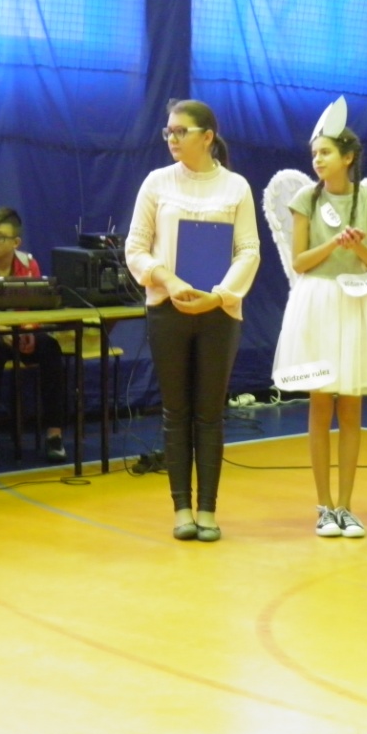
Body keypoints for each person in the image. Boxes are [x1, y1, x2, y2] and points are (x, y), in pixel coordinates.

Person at [125, 99, 260, 542]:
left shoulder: (236, 187)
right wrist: (168, 280)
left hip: (218, 312)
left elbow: (248, 251)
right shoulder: (156, 182)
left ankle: (208, 510)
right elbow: (135, 248)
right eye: (168, 131)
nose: (172, 138)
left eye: (181, 131)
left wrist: (218, 296)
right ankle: (181, 507)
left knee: (209, 413)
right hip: (169, 310)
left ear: (207, 136)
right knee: (176, 411)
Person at [271, 98, 367, 538]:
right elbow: (300, 261)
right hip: (319, 304)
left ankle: (346, 506)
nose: (318, 160)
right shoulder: (305, 199)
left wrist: (357, 246)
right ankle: (323, 506)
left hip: (357, 304)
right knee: (320, 403)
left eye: (325, 152)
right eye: (314, 154)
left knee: (351, 407)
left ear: (347, 157)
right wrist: (333, 244)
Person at [0, 207, 68, 463]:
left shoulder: (29, 264)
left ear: (16, 242)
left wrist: (29, 331)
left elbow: (36, 307)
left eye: (0, 237)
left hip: (22, 332)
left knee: (51, 348)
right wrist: (6, 331)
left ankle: (54, 435)